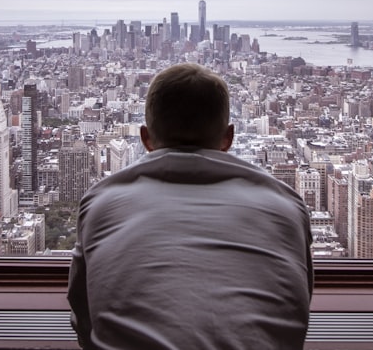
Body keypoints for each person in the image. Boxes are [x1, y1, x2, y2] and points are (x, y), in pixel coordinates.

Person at [67, 63, 313, 350]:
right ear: (228, 138)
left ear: (146, 138)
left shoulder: (102, 203)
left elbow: (82, 313)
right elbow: (298, 305)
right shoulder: (285, 206)